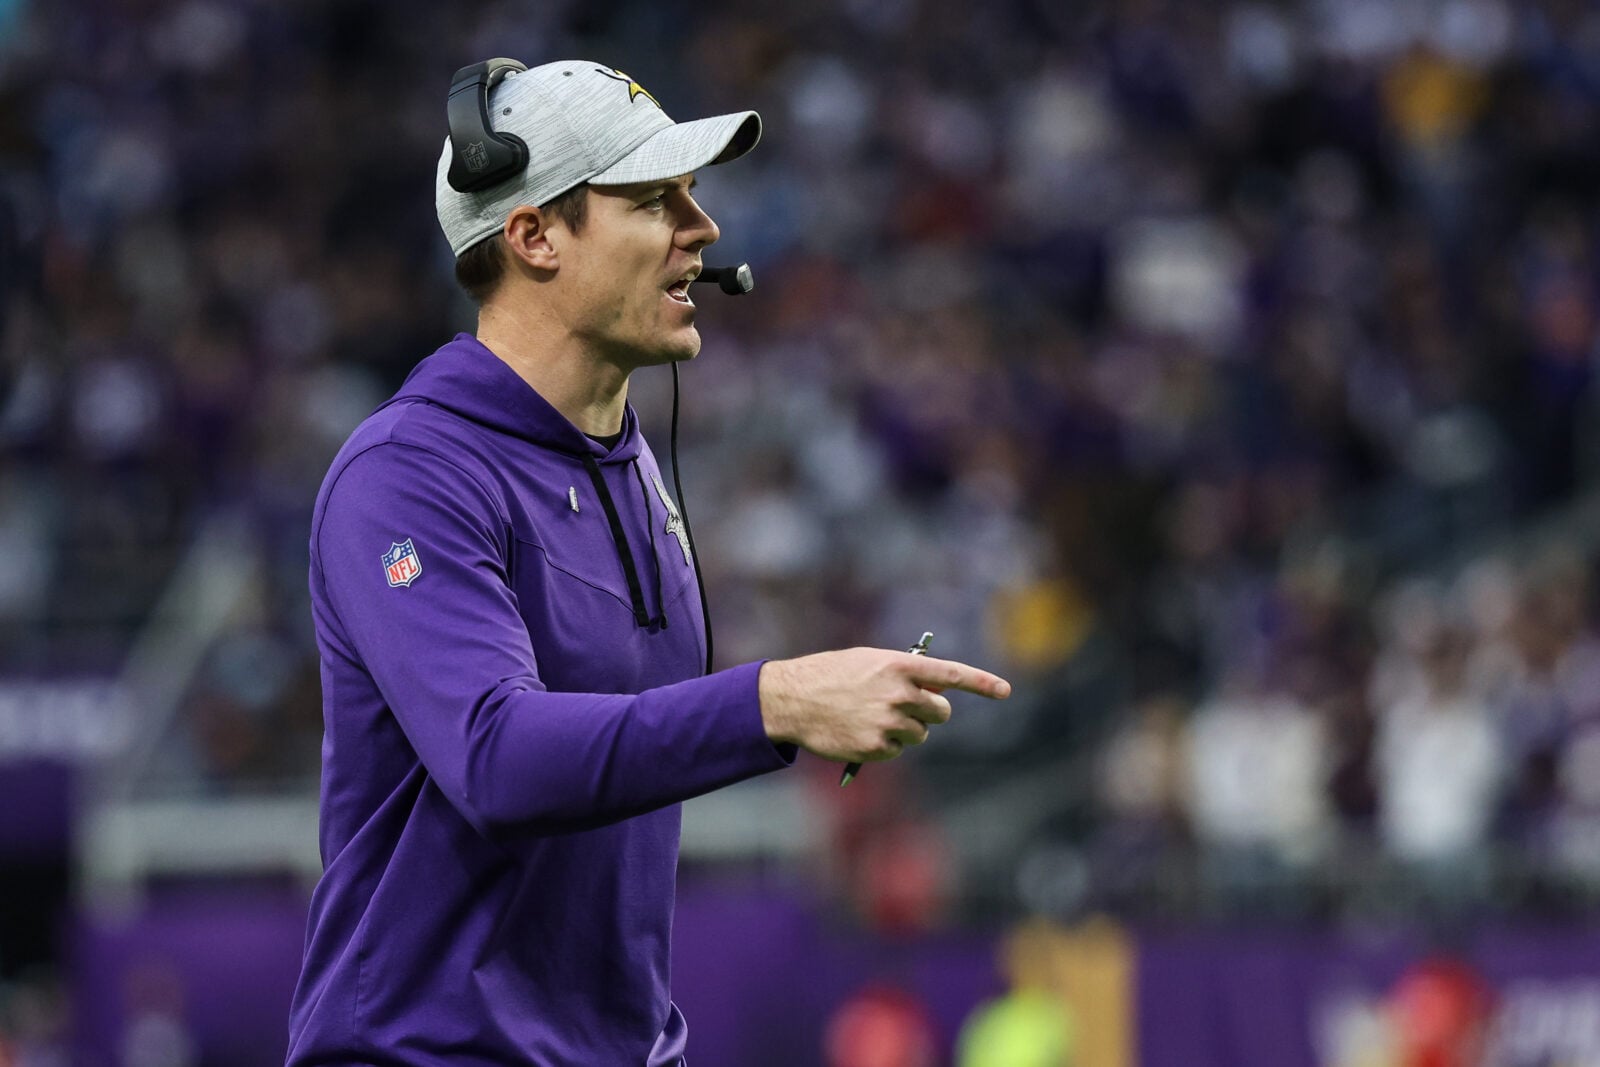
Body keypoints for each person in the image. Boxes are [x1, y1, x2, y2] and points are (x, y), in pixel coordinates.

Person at [284, 58, 1012, 1067]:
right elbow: (497, 757)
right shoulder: (408, 473)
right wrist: (776, 699)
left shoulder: (629, 459)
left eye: (692, 193)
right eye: (651, 199)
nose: (702, 227)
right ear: (532, 235)